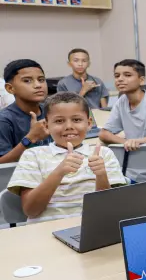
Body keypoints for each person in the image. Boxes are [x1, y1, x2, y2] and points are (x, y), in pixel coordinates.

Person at [8, 92, 126, 223]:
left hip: (92, 225)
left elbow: (108, 208)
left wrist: (101, 175)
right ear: (46, 126)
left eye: (76, 120)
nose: (69, 126)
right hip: (45, 229)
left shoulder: (104, 154)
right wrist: (59, 172)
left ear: (89, 123)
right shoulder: (33, 156)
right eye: (59, 121)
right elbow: (31, 210)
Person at [0, 59, 51, 165]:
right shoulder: (4, 120)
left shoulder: (52, 111)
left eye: (41, 80)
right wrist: (31, 138)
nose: (38, 85)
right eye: (27, 81)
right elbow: (2, 164)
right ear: (10, 88)